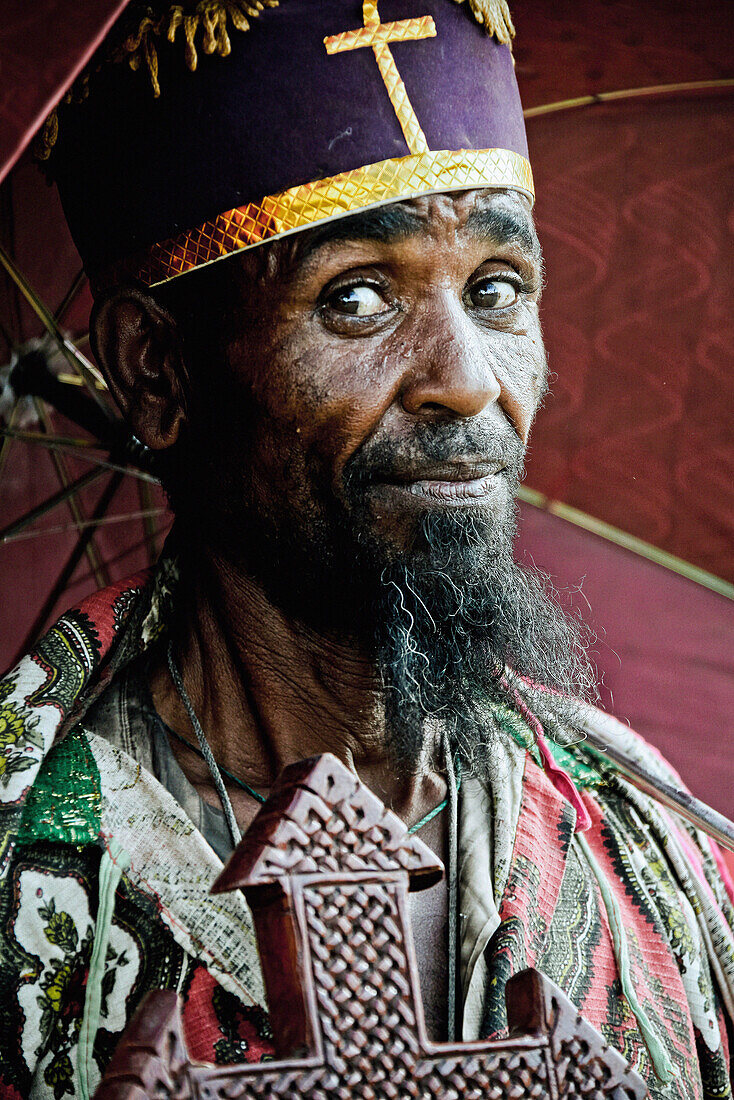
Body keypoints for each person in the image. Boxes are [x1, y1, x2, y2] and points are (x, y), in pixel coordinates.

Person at [1, 2, 733, 1097]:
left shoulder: (651, 848)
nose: (467, 377)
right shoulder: (27, 857)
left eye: (495, 289)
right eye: (355, 297)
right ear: (156, 368)